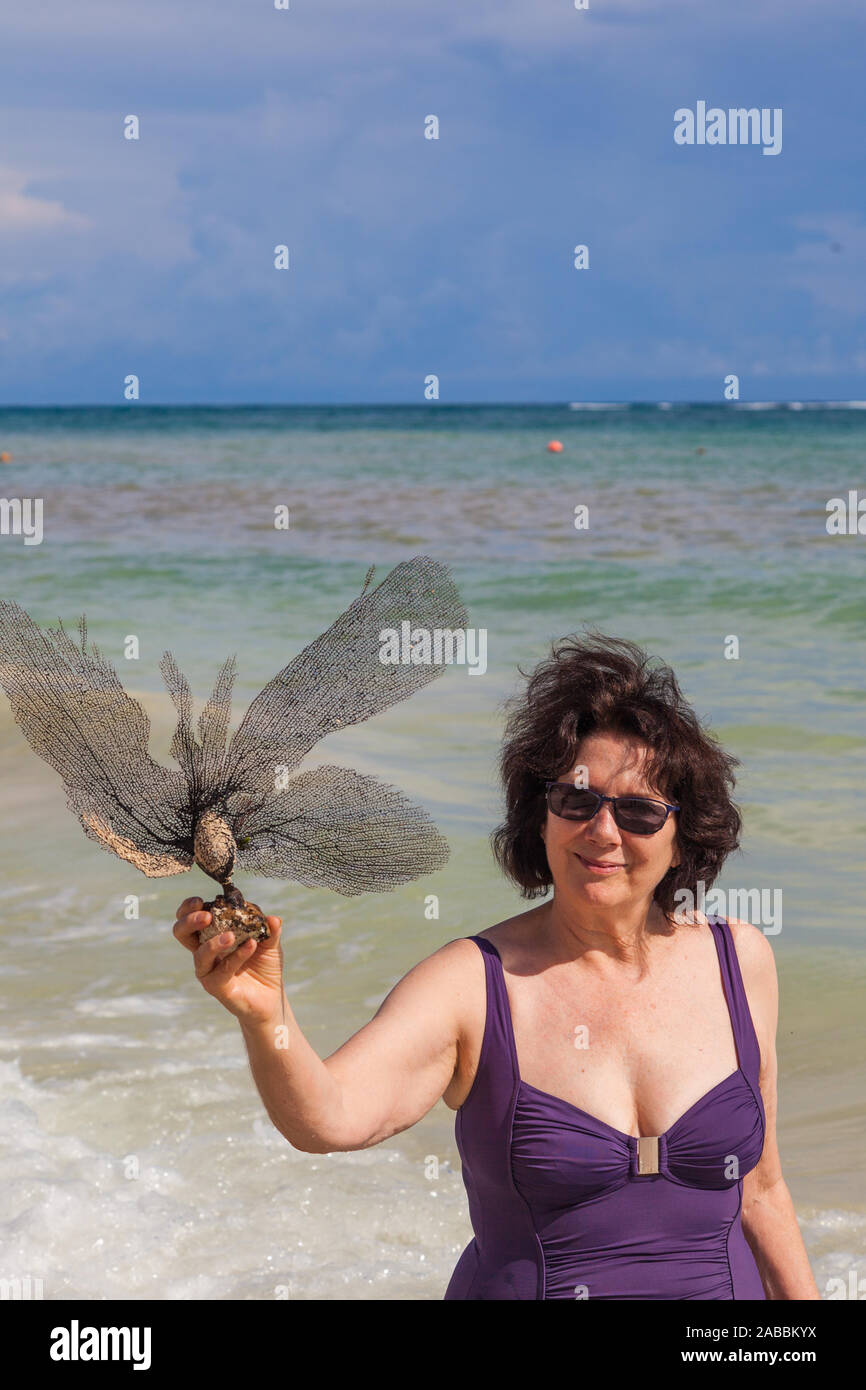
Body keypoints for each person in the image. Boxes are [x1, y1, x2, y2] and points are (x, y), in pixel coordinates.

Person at [172, 632, 819, 1299]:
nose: (603, 831)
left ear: (682, 835)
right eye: (576, 800)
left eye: (639, 811)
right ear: (540, 818)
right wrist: (266, 1018)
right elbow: (328, 1119)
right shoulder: (470, 986)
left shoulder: (739, 961)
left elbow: (762, 1194)